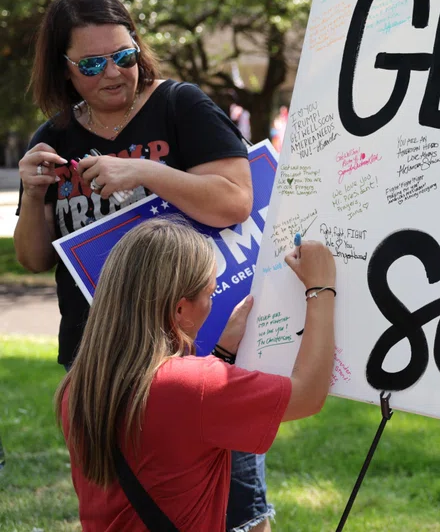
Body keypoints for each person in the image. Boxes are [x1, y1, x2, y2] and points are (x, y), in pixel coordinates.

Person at [12, 0, 270, 531]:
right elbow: (34, 260)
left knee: (237, 511)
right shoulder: (54, 136)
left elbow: (236, 199)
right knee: (129, 512)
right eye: (93, 63)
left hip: (197, 356)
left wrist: (145, 172)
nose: (113, 73)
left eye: (125, 56)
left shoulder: (180, 106)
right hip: (96, 361)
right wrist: (34, 196)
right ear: (63, 68)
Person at [56, 218, 337, 530]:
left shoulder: (79, 385)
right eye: (209, 293)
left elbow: (169, 447)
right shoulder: (190, 386)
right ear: (179, 310)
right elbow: (308, 395)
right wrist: (320, 288)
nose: (211, 303)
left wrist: (223, 356)